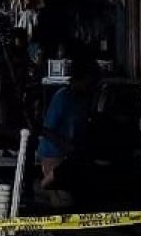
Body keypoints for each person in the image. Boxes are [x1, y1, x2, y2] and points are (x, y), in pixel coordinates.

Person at [38, 56, 100, 193]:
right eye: (90, 82)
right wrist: (66, 145)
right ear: (81, 78)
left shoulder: (84, 100)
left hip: (72, 155)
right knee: (61, 193)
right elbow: (46, 130)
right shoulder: (62, 97)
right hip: (54, 154)